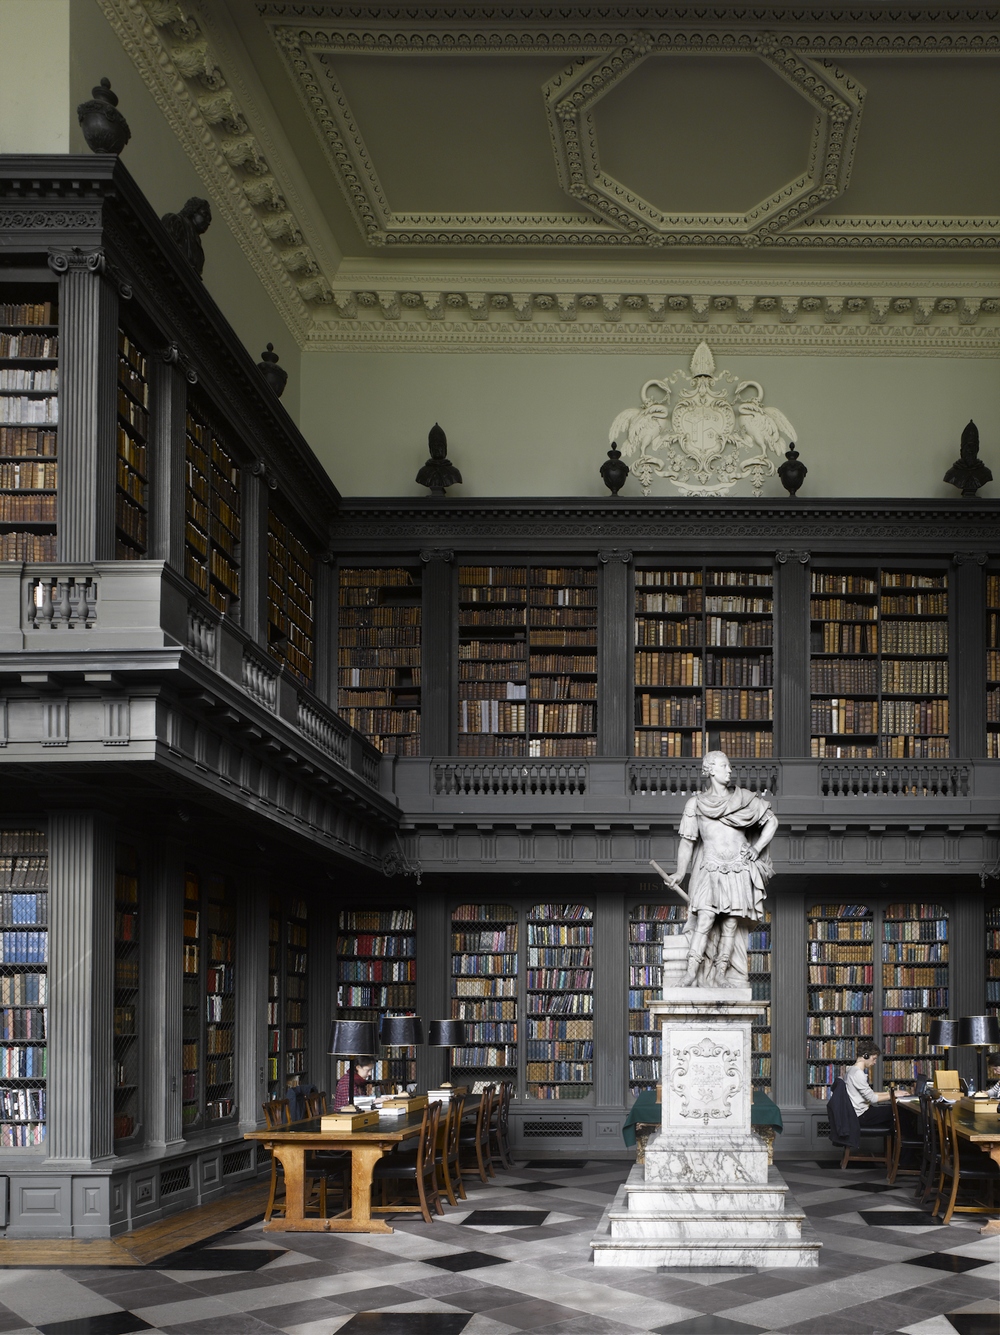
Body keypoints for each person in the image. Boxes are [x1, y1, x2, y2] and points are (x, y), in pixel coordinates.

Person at [664, 750, 778, 988]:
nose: (729, 770)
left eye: (729, 766)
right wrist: (680, 872)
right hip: (710, 868)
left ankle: (720, 974)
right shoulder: (695, 803)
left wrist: (756, 849)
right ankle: (690, 972)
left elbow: (772, 822)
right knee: (704, 919)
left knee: (730, 924)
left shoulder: (744, 799)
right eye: (724, 766)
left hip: (738, 868)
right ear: (710, 770)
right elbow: (687, 841)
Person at [845, 1043, 893, 1129]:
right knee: (896, 1111)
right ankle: (904, 1140)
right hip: (861, 1115)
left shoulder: (851, 1069)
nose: (875, 1062)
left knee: (891, 1110)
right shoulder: (858, 1073)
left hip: (858, 1113)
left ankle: (895, 1140)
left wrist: (891, 1093)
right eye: (874, 1059)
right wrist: (893, 1095)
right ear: (865, 1056)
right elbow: (872, 1098)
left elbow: (870, 1094)